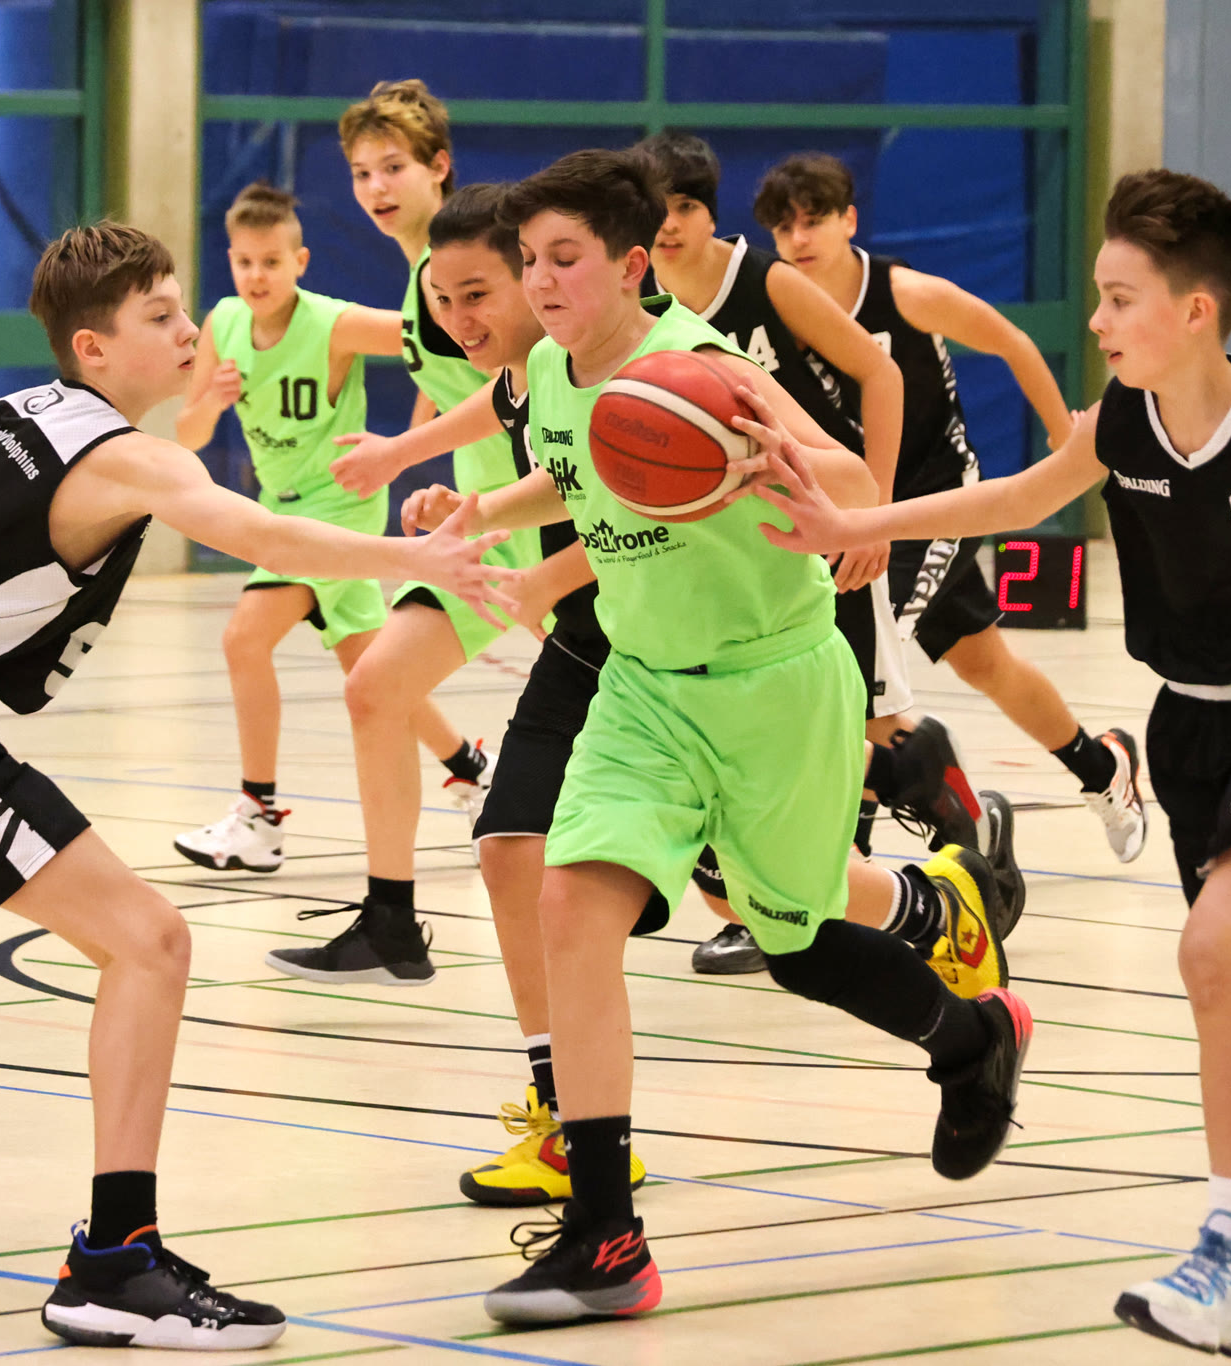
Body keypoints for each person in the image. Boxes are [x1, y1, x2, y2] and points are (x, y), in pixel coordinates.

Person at [0, 219, 515, 1351]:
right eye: (161, 317)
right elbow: (263, 532)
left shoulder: (12, 413)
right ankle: (113, 1263)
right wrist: (413, 559)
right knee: (151, 943)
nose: (188, 330)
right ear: (94, 347)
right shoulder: (129, 458)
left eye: (182, 309)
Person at [380, 151, 1031, 1323]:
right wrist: (474, 511)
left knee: (795, 942)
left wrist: (815, 492)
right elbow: (577, 474)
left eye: (565, 259)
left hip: (771, 683)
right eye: (529, 262)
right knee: (568, 905)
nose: (541, 281)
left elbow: (840, 471)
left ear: (632, 265)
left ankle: (967, 1036)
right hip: (644, 687)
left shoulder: (704, 368)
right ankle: (603, 1235)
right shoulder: (553, 371)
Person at [751, 168, 1231, 1361]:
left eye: (1118, 298)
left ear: (1193, 310)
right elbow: (1011, 496)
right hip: (1187, 732)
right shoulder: (1120, 423)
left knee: (1205, 955)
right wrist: (850, 524)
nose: (1094, 319)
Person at [636, 130, 998, 977]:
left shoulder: (765, 282)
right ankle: (864, 840)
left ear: (710, 212)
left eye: (685, 206)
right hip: (738, 547)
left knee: (841, 721)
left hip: (827, 520)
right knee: (801, 729)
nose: (670, 224)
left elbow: (882, 374)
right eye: (655, 211)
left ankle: (885, 868)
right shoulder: (645, 307)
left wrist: (872, 513)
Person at [757, 151, 1147, 864]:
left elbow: (1013, 342)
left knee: (860, 664)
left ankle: (855, 855)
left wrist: (1063, 441)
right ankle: (1103, 766)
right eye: (784, 228)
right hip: (860, 507)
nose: (800, 239)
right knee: (985, 662)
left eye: (814, 221)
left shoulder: (904, 293)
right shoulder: (784, 309)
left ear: (849, 220)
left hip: (940, 497)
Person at [259, 79, 542, 988]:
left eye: (393, 168)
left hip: (550, 514)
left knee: (672, 713)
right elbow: (458, 391)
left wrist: (398, 453)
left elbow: (522, 395)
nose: (376, 187)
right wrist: (423, 468)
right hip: (482, 525)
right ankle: (390, 921)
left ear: (438, 167)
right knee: (376, 688)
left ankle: (865, 805)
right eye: (360, 173)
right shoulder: (425, 278)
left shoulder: (476, 270)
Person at [170, 182, 462, 874]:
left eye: (271, 262)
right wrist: (211, 404)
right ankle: (470, 768)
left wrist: (410, 438)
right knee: (370, 665)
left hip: (340, 507)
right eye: (244, 262)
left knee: (244, 638)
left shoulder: (332, 323)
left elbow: (435, 336)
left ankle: (260, 816)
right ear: (230, 261)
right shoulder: (222, 324)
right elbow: (185, 435)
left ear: (299, 262)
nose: (256, 276)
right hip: (279, 512)